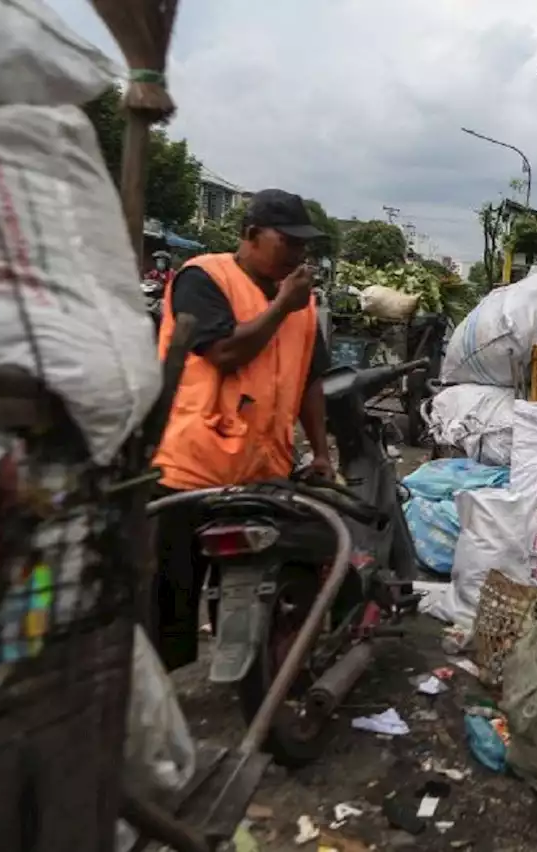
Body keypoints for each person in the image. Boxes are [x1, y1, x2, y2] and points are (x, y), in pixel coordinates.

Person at [150, 189, 333, 670]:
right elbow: (225, 352)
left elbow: (312, 380)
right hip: (195, 467)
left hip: (262, 471)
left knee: (254, 587)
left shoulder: (302, 304)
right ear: (250, 236)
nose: (297, 254)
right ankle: (160, 700)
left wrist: (320, 453)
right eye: (287, 241)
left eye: (303, 245)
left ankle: (251, 676)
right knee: (173, 598)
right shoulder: (204, 277)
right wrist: (281, 308)